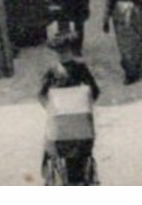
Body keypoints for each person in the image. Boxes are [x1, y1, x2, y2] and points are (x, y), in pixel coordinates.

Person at [38, 33, 101, 185]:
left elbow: (41, 95)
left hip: (60, 127)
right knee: (82, 156)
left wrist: (52, 110)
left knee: (52, 149)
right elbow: (95, 92)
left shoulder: (52, 71)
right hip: (81, 126)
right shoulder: (81, 68)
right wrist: (84, 105)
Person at [101, 0, 142, 84]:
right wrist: (106, 19)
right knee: (124, 44)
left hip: (136, 13)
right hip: (120, 13)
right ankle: (129, 72)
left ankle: (136, 67)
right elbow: (109, 0)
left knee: (137, 42)